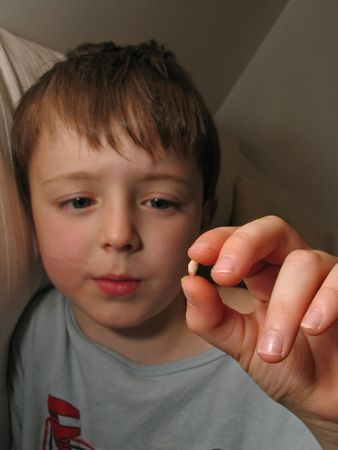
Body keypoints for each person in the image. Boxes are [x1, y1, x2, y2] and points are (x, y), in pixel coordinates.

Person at [9, 40, 337, 450]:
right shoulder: (36, 332)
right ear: (29, 213)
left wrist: (330, 427)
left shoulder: (281, 359)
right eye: (79, 201)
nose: (119, 235)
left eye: (159, 202)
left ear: (203, 218)